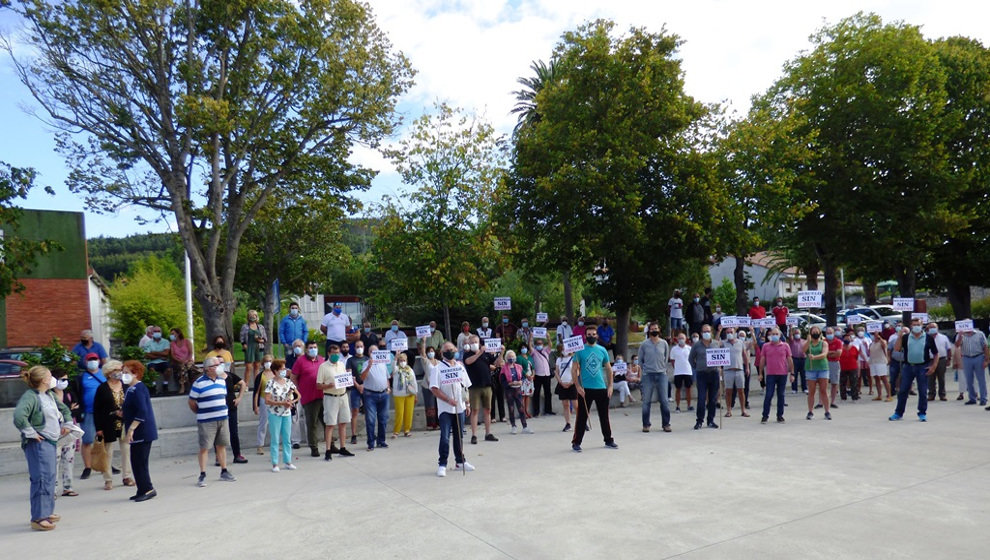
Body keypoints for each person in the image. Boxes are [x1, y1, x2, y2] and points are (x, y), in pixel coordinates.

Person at [13, 365, 72, 531]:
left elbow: (64, 409)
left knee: (49, 477)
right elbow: (19, 416)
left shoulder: (49, 395)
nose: (53, 378)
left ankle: (46, 511)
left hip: (51, 441)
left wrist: (67, 422)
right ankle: (39, 517)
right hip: (39, 443)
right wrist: (31, 432)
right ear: (44, 380)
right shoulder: (30, 397)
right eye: (50, 375)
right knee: (41, 479)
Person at [188, 357, 237, 487]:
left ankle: (224, 470)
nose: (220, 366)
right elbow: (192, 402)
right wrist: (200, 412)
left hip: (223, 418)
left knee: (222, 445)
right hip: (206, 420)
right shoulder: (198, 383)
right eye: (217, 364)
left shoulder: (222, 380)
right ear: (209, 368)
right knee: (205, 447)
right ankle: (202, 474)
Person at [429, 342, 474, 477]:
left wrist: (467, 404)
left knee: (459, 435)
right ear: (442, 353)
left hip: (459, 407)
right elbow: (434, 389)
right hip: (445, 408)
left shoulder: (460, 367)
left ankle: (460, 461)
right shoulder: (437, 369)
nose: (450, 352)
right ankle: (442, 463)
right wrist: (448, 400)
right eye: (447, 350)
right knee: (445, 437)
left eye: (452, 350)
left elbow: (465, 386)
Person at [571, 323, 617, 451]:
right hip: (586, 389)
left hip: (601, 387)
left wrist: (610, 386)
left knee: (604, 416)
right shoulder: (580, 351)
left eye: (594, 334)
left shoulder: (602, 350)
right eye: (589, 334)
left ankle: (608, 440)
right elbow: (574, 370)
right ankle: (576, 442)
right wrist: (578, 386)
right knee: (582, 417)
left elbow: (608, 369)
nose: (591, 336)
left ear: (597, 336)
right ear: (585, 336)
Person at [93, 359, 133, 490]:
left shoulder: (126, 385)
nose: (119, 373)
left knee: (126, 450)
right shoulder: (102, 388)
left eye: (120, 370)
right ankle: (108, 479)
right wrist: (98, 428)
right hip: (108, 423)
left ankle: (126, 476)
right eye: (116, 370)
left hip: (124, 423)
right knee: (108, 452)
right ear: (109, 373)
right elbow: (97, 409)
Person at [121, 360, 157, 501]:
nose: (124, 376)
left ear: (135, 374)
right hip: (137, 431)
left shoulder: (138, 388)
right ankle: (141, 488)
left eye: (127, 373)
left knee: (140, 461)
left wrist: (131, 429)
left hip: (142, 431)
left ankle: (148, 488)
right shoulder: (130, 389)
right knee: (135, 461)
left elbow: (142, 410)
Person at [890, 319, 939, 421]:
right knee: (903, 390)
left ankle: (922, 413)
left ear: (922, 326)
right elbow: (897, 349)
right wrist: (899, 336)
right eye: (914, 325)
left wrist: (933, 366)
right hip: (908, 366)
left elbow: (935, 353)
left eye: (918, 325)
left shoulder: (928, 338)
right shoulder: (906, 337)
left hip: (922, 366)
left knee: (922, 391)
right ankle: (898, 413)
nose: (916, 326)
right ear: (911, 326)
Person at [315, 343, 356, 459]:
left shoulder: (342, 365)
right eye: (333, 353)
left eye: (337, 353)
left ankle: (343, 448)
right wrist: (328, 385)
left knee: (343, 422)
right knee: (330, 424)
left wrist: (349, 379)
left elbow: (344, 379)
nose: (336, 355)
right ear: (328, 354)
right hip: (330, 397)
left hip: (343, 396)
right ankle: (328, 450)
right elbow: (318, 385)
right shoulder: (323, 367)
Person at [290, 341, 325, 457]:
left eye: (315, 347)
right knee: (312, 424)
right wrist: (299, 390)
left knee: (327, 421)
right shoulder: (300, 361)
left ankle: (331, 444)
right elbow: (293, 377)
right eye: (311, 348)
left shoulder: (322, 360)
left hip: (323, 395)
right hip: (309, 397)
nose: (313, 349)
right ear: (306, 350)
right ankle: (314, 447)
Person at [265, 360, 300, 472]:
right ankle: (275, 463)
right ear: (275, 371)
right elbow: (267, 400)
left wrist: (292, 401)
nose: (284, 371)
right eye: (282, 369)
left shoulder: (288, 382)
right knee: (275, 439)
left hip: (286, 413)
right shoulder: (270, 383)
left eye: (285, 369)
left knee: (287, 438)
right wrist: (281, 403)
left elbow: (298, 395)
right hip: (275, 413)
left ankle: (288, 461)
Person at [463, 334, 499, 444]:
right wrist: (479, 352)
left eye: (476, 342)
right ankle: (474, 435)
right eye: (472, 342)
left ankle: (488, 433)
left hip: (487, 385)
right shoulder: (467, 354)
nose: (474, 344)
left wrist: (501, 353)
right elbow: (468, 362)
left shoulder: (486, 354)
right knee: (475, 411)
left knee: (488, 410)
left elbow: (496, 363)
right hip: (474, 387)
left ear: (479, 343)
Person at [638, 324, 672, 432]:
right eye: (652, 329)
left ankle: (666, 424)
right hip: (648, 375)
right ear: (649, 331)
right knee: (646, 401)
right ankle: (646, 424)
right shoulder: (644, 344)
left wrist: (663, 368)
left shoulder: (664, 343)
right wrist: (644, 371)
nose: (654, 330)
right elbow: (640, 360)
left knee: (664, 401)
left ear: (659, 330)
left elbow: (666, 358)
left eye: (656, 329)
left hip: (661, 374)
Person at [52, 371, 80, 498]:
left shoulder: (69, 394)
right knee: (54, 461)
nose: (64, 382)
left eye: (66, 379)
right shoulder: (49, 395)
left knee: (69, 458)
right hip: (54, 432)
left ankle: (68, 487)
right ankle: (52, 489)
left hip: (69, 431)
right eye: (62, 379)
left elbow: (77, 408)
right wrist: (70, 409)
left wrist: (71, 410)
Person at [78, 352, 106, 480]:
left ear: (99, 360)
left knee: (101, 440)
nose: (93, 361)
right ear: (86, 361)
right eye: (90, 359)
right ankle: (87, 467)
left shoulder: (105, 374)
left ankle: (104, 464)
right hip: (88, 412)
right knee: (88, 440)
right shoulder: (81, 377)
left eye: (95, 359)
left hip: (103, 412)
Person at [759, 328, 794, 424]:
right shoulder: (766, 346)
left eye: (776, 334)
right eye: (772, 334)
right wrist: (760, 373)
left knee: (781, 395)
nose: (774, 335)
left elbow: (790, 359)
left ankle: (780, 415)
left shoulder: (785, 346)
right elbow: (762, 360)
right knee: (769, 395)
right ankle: (765, 416)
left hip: (782, 374)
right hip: (770, 374)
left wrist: (792, 373)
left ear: (779, 335)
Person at [689, 324, 722, 429]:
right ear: (701, 333)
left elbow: (722, 356)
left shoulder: (716, 344)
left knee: (713, 399)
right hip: (702, 374)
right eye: (704, 331)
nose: (706, 333)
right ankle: (699, 421)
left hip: (714, 373)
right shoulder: (696, 345)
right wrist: (697, 367)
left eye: (708, 331)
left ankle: (711, 420)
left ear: (711, 332)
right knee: (701, 398)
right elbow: (691, 359)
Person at [359, 344, 390, 451]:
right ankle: (371, 442)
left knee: (383, 419)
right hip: (370, 395)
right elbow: (362, 377)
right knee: (371, 420)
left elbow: (387, 377)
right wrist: (369, 366)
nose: (374, 353)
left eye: (376, 351)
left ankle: (381, 441)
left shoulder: (383, 364)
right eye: (372, 351)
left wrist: (388, 387)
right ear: (369, 353)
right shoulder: (365, 363)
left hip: (384, 394)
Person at [220, 360, 248, 465]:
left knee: (233, 432)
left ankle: (237, 455)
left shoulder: (229, 376)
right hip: (219, 408)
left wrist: (239, 398)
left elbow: (243, 384)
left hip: (231, 407)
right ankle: (219, 457)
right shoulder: (213, 378)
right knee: (220, 433)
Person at [498, 350, 532, 434]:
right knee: (511, 408)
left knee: (521, 407)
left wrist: (521, 382)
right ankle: (513, 426)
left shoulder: (519, 367)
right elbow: (502, 381)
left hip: (518, 389)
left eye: (513, 357)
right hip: (509, 390)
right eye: (509, 357)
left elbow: (523, 376)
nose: (511, 358)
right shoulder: (504, 369)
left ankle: (525, 426)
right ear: (506, 358)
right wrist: (510, 383)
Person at [803, 326, 832, 420]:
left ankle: (827, 411)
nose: (815, 333)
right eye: (813, 332)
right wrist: (808, 341)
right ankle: (810, 411)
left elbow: (824, 354)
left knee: (823, 390)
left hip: (822, 368)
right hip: (810, 369)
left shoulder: (824, 343)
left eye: (817, 331)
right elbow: (803, 350)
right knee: (811, 391)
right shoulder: (808, 343)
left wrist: (814, 357)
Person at [955, 327, 989, 406]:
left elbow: (985, 347)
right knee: (969, 379)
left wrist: (986, 360)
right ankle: (972, 398)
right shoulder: (960, 335)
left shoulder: (979, 334)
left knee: (981, 379)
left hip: (979, 356)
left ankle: (983, 398)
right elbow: (957, 345)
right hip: (966, 357)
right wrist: (960, 336)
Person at [722, 327, 750, 418]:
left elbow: (744, 355)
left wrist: (747, 367)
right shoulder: (723, 343)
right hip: (728, 370)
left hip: (739, 369)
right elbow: (715, 344)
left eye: (731, 332)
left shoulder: (740, 342)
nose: (729, 333)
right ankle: (729, 410)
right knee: (728, 391)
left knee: (741, 391)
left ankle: (743, 410)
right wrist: (718, 331)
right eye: (728, 332)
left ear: (735, 333)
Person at [345, 340, 368, 444]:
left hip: (367, 387)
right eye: (357, 346)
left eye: (361, 346)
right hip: (355, 388)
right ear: (354, 348)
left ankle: (370, 432)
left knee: (369, 411)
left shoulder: (367, 359)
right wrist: (358, 385)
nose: (359, 348)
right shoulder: (350, 360)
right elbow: (349, 375)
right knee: (355, 411)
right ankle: (353, 434)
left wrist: (363, 385)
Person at [391, 352, 417, 438]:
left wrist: (415, 393)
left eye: (404, 360)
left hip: (409, 394)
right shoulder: (396, 370)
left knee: (409, 413)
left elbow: (414, 382)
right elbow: (393, 367)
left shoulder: (410, 370)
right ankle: (396, 431)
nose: (403, 362)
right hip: (399, 395)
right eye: (401, 360)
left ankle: (407, 430)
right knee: (399, 414)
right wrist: (395, 358)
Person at [239, 310, 267, 390]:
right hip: (249, 347)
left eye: (254, 315)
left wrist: (259, 340)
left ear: (256, 316)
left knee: (257, 366)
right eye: (251, 315)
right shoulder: (245, 327)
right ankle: (246, 385)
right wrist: (243, 344)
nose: (253, 317)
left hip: (258, 347)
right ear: (248, 316)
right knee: (248, 367)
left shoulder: (260, 327)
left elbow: (265, 339)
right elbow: (241, 337)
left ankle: (257, 384)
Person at [253, 355, 275, 455]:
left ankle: (275, 444)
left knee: (276, 422)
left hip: (275, 400)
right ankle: (260, 445)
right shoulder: (260, 376)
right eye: (266, 361)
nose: (268, 363)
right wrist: (255, 406)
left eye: (270, 361)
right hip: (264, 399)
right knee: (263, 422)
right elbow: (256, 392)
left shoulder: (276, 374)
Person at [141, 326, 172, 395]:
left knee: (168, 369)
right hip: (152, 362)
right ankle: (153, 386)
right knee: (151, 369)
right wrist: (161, 355)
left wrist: (153, 352)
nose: (157, 333)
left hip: (163, 362)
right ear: (152, 333)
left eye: (158, 331)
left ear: (161, 332)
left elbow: (166, 353)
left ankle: (165, 385)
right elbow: (147, 355)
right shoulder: (148, 343)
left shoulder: (166, 342)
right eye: (155, 331)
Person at [555, 343, 578, 432]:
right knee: (565, 404)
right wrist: (560, 382)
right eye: (563, 348)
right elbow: (557, 371)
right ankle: (568, 423)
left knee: (576, 405)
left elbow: (577, 371)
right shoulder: (559, 360)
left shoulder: (573, 358)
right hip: (562, 384)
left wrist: (573, 381)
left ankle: (581, 422)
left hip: (572, 384)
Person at [529, 336, 554, 417]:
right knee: (536, 393)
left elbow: (550, 345)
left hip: (546, 374)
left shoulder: (546, 350)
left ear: (543, 344)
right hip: (538, 375)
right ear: (535, 345)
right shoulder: (534, 352)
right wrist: (531, 337)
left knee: (548, 393)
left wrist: (548, 337)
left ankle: (548, 410)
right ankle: (536, 412)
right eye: (538, 344)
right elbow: (529, 345)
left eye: (540, 343)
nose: (539, 345)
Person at [926, 322, 952, 402]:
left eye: (934, 327)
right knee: (930, 378)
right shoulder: (925, 337)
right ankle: (931, 394)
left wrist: (949, 359)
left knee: (941, 378)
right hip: (929, 360)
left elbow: (949, 349)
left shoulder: (943, 337)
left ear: (937, 328)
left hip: (941, 359)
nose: (932, 328)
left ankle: (942, 395)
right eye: (931, 327)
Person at [417, 343, 440, 430]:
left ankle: (438, 423)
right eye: (429, 351)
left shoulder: (438, 362)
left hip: (437, 386)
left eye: (432, 351)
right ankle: (431, 424)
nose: (431, 353)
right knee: (430, 406)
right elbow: (422, 353)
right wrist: (424, 340)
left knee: (437, 405)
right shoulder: (426, 362)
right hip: (427, 386)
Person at [670, 333, 694, 412]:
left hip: (688, 371)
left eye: (682, 338)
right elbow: (672, 360)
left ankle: (689, 405)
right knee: (678, 389)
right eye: (679, 338)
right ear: (677, 339)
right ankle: (677, 406)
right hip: (678, 372)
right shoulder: (674, 349)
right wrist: (676, 368)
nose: (681, 340)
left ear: (686, 339)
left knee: (689, 389)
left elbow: (693, 359)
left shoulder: (689, 348)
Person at [168, 327, 195, 394]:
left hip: (188, 361)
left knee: (186, 367)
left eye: (173, 333)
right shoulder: (172, 344)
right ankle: (184, 386)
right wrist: (180, 361)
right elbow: (173, 355)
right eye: (171, 334)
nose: (171, 335)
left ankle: (183, 386)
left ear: (178, 333)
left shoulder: (187, 341)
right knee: (182, 367)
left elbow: (190, 352)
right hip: (178, 362)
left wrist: (187, 360)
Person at [868, 334, 892, 401]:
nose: (874, 336)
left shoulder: (882, 342)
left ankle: (889, 395)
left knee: (884, 378)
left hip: (881, 362)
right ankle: (879, 395)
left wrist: (879, 337)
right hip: (873, 362)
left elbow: (884, 345)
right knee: (876, 378)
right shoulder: (872, 343)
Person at [838, 331, 861, 402]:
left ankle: (855, 397)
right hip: (843, 367)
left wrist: (858, 369)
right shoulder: (840, 348)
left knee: (854, 382)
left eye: (848, 338)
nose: (847, 340)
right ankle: (843, 397)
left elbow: (857, 358)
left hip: (853, 367)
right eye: (846, 338)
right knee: (842, 383)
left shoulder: (854, 348)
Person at [826, 327, 843, 409]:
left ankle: (833, 401)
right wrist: (832, 352)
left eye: (830, 332)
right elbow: (822, 353)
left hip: (834, 363)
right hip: (824, 363)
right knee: (823, 383)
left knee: (834, 383)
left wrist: (828, 353)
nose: (829, 334)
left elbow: (838, 353)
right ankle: (821, 402)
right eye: (827, 333)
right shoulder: (823, 341)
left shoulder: (838, 342)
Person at [789, 328, 807, 394]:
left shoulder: (804, 341)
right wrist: (790, 328)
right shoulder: (792, 341)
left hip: (803, 359)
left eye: (798, 333)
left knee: (804, 374)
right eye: (796, 333)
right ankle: (794, 389)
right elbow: (790, 336)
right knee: (794, 374)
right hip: (795, 359)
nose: (797, 334)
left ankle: (804, 388)